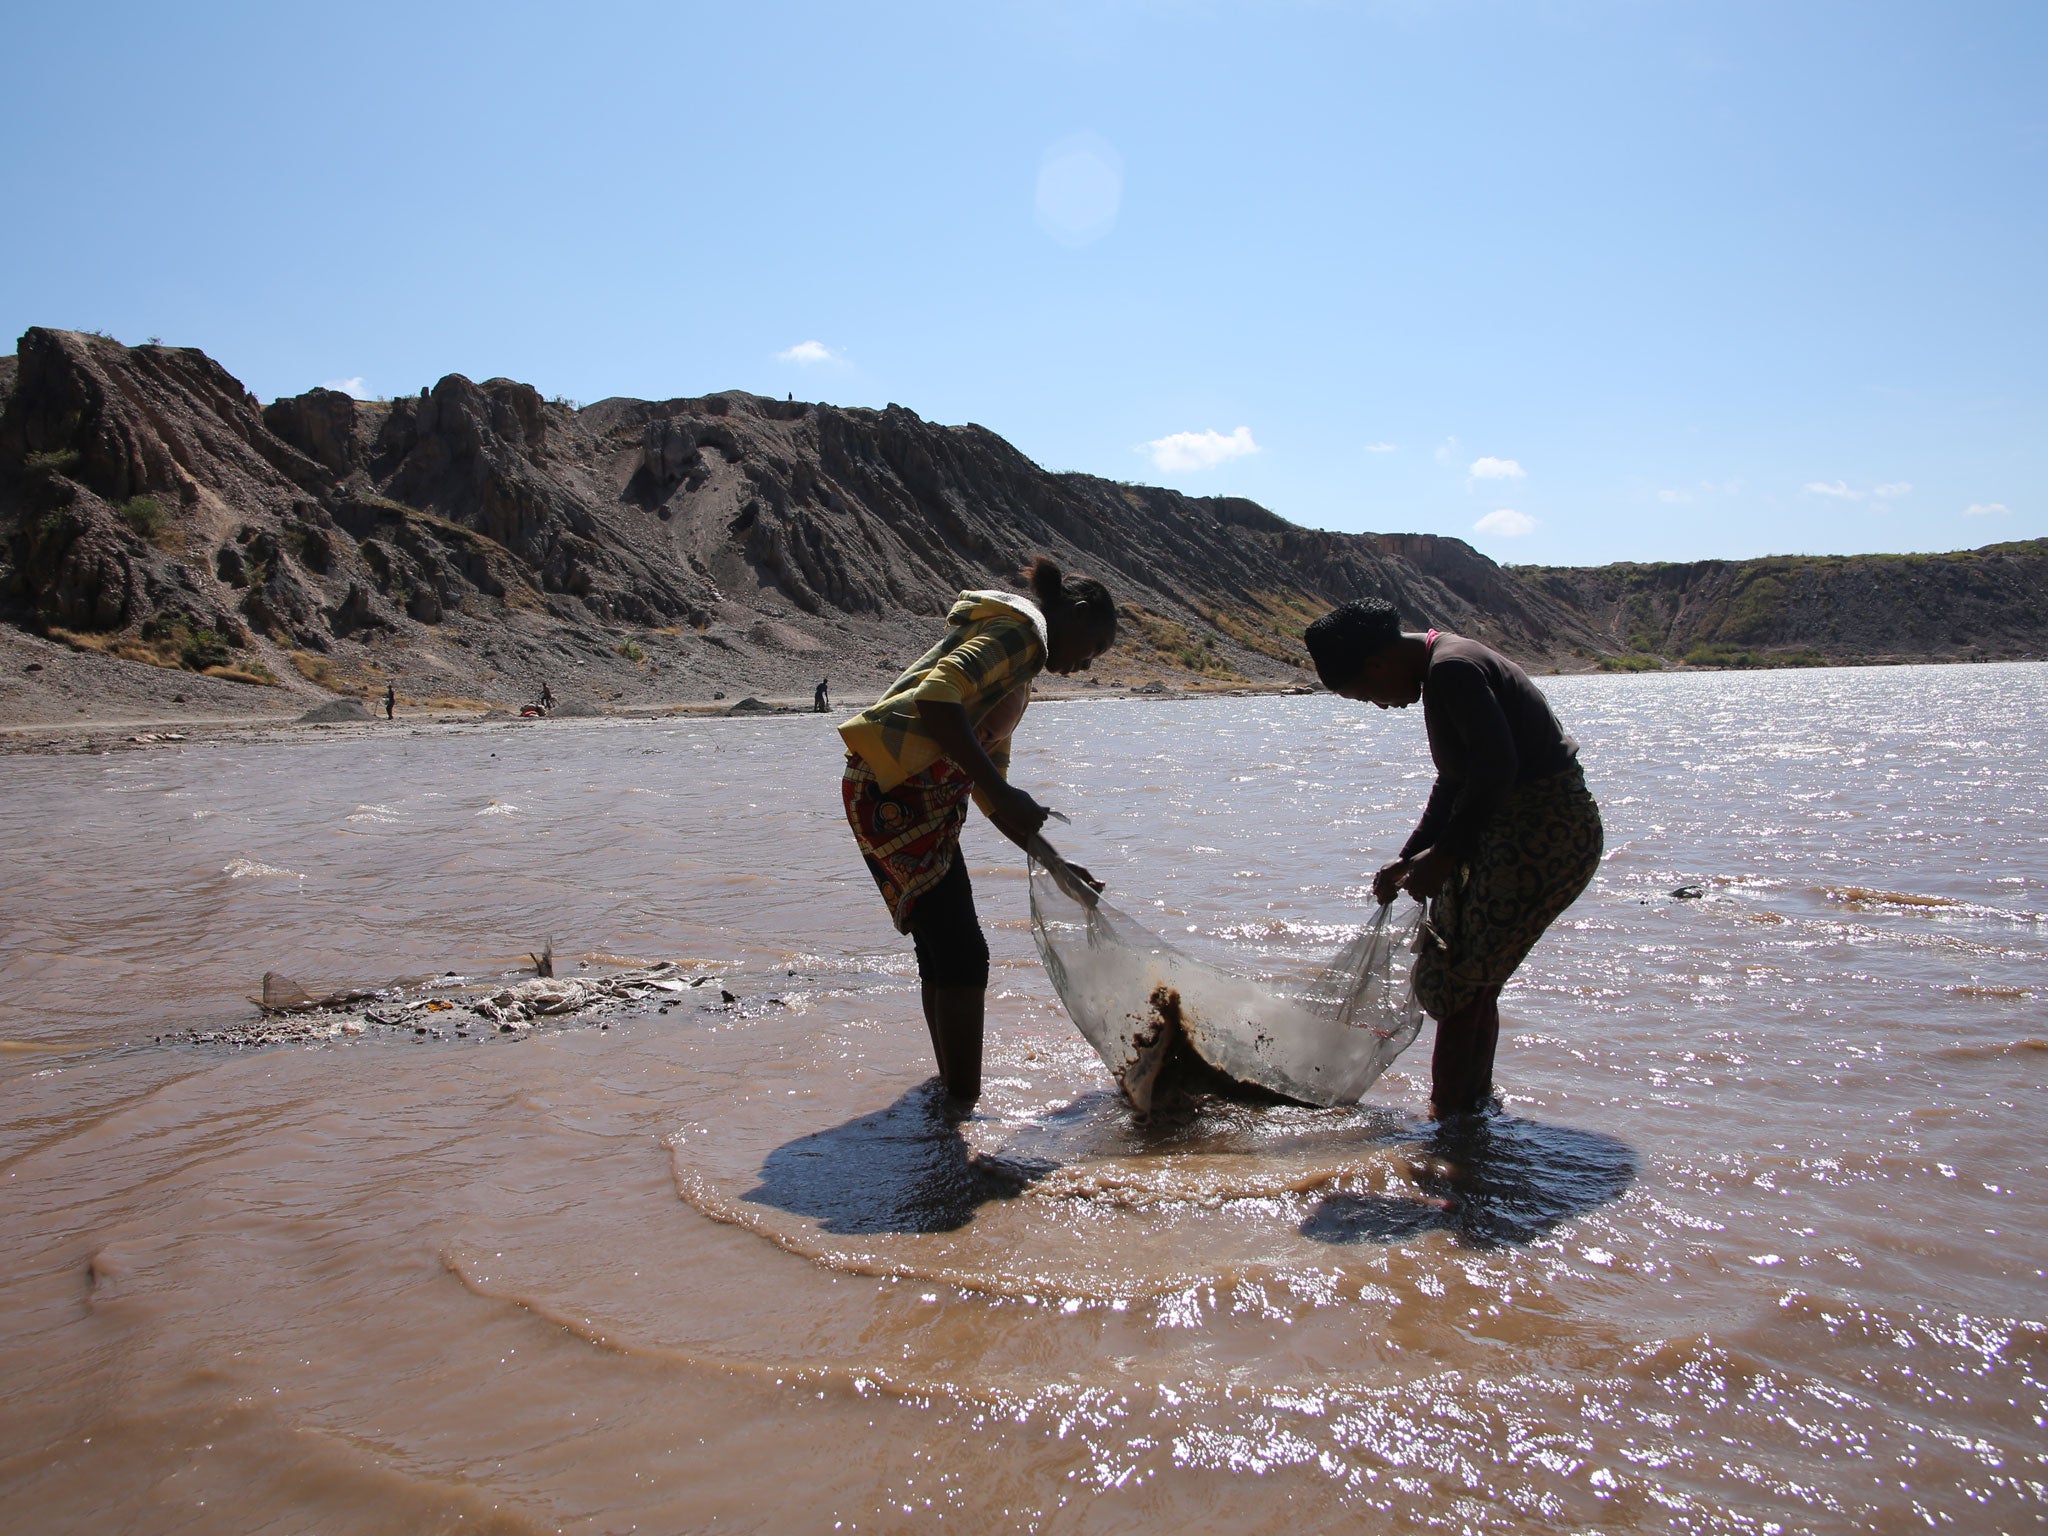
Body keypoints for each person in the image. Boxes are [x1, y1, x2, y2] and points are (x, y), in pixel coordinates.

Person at [1304, 598, 1602, 1120]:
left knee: (1464, 981)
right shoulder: (1445, 664)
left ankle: (1452, 1125)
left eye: (1368, 693)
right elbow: (1457, 780)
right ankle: (1470, 1112)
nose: (1380, 704)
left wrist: (1443, 857)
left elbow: (1495, 772)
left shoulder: (1454, 670)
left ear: (1378, 663)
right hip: (1513, 829)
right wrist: (1410, 857)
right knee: (1472, 978)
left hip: (1543, 833)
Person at [840, 556, 1117, 1105]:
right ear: (1079, 614)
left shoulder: (1016, 677)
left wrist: (1055, 864)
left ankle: (948, 1098)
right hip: (900, 798)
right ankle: (962, 1109)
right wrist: (1006, 793)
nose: (1087, 667)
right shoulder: (1022, 633)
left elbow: (993, 793)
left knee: (943, 952)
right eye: (1094, 650)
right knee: (965, 956)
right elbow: (936, 697)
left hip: (900, 796)